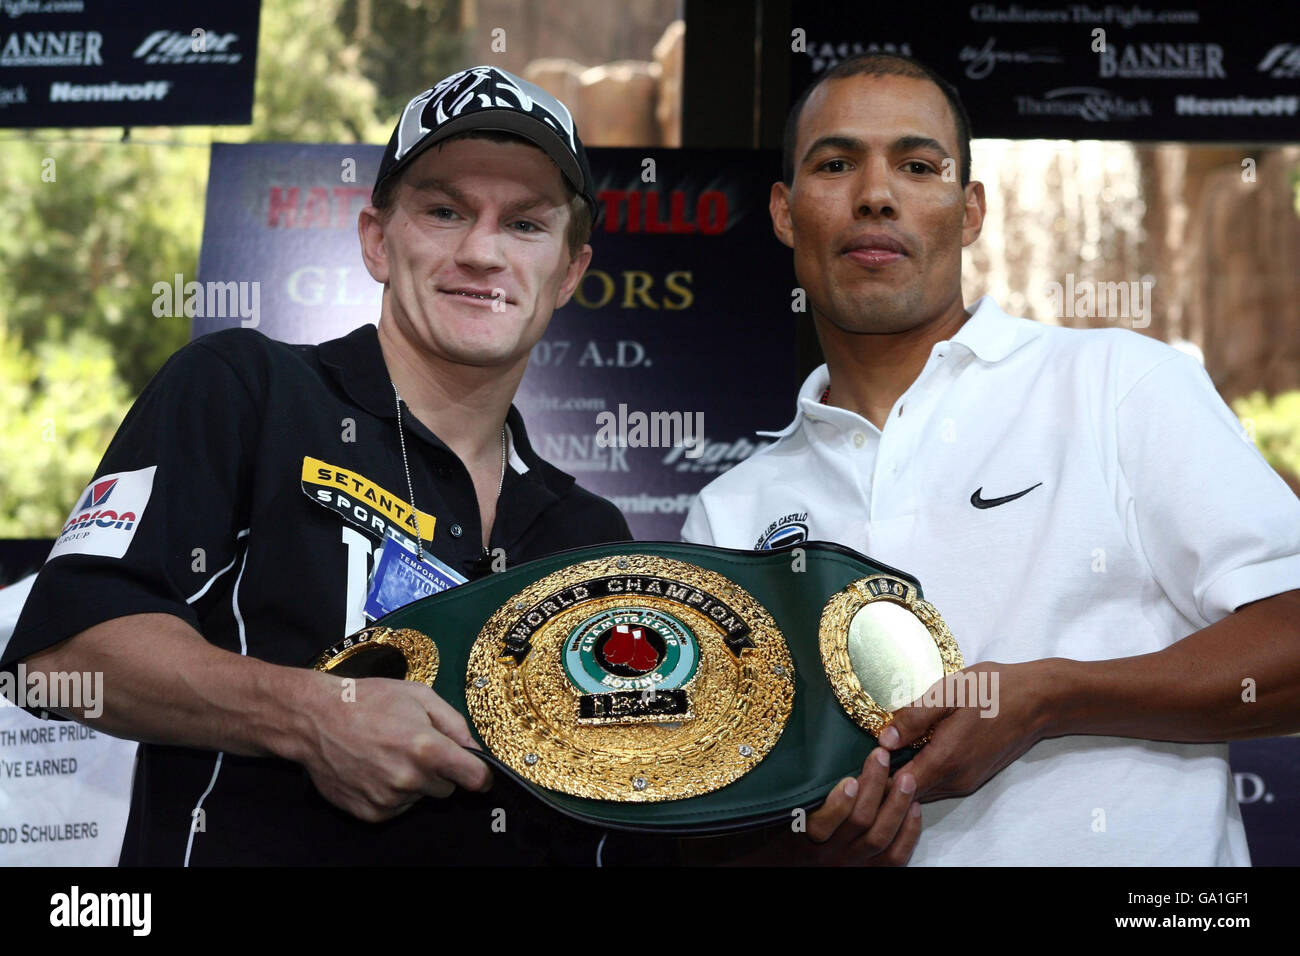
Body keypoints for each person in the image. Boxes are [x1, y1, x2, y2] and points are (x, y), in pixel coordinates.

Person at [1, 65, 672, 865]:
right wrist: (311, 715)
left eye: (525, 224)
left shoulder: (596, 538)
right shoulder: (247, 390)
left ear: (568, 272)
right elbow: (61, 657)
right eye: (444, 210)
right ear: (377, 240)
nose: (482, 250)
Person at [681, 54, 1300, 865]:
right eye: (835, 165)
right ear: (785, 212)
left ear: (969, 210)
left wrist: (1053, 698)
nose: (876, 194)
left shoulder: (1119, 384)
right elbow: (713, 809)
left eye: (917, 165)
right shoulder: (727, 514)